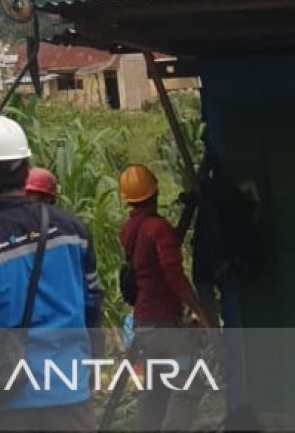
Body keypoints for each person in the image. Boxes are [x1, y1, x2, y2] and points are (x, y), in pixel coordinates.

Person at [0, 116, 100, 432]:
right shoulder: (72, 230)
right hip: (69, 393)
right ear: (26, 167)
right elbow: (93, 303)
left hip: (5, 400)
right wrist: (92, 365)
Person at [118, 163, 213, 432]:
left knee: (155, 390)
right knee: (188, 383)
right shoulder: (156, 229)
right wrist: (202, 314)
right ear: (155, 191)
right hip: (164, 326)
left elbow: (153, 266)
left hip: (144, 325)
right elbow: (173, 275)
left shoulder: (129, 230)